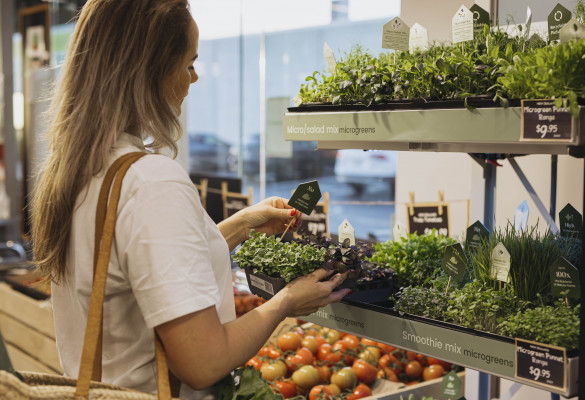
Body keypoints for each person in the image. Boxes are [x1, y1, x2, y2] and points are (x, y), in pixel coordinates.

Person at [29, 0, 351, 398]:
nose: (194, 78)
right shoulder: (151, 181)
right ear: (150, 69)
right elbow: (203, 362)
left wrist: (238, 226)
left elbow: (140, 267)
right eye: (188, 64)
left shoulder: (79, 171)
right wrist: (285, 301)